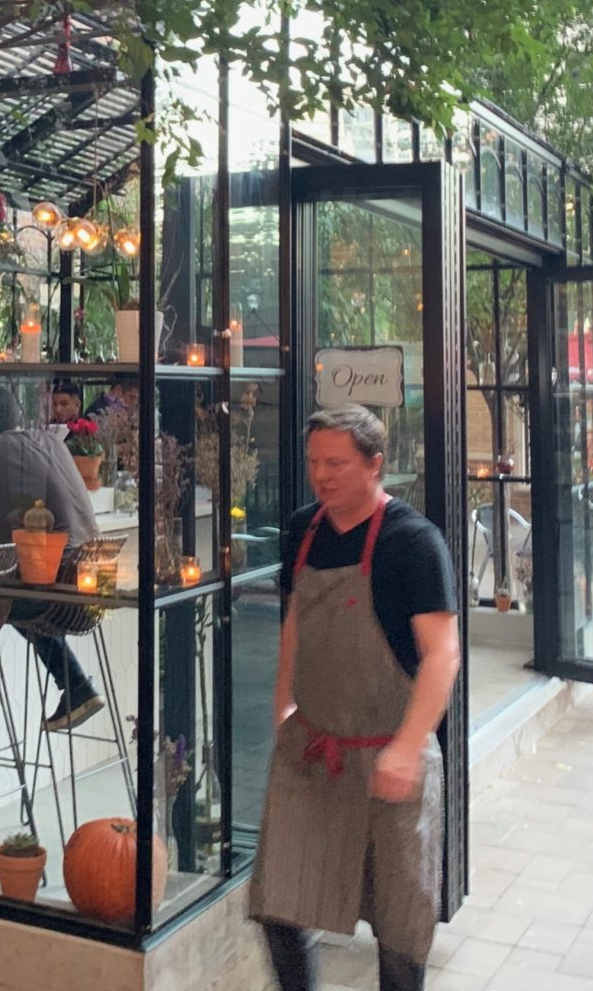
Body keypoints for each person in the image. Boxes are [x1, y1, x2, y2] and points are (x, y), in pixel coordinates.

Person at [247, 406, 460, 991]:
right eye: (314, 462)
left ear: (375, 465)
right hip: (314, 751)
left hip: (392, 757)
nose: (321, 475)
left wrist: (407, 749)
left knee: (400, 923)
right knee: (277, 899)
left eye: (337, 463)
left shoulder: (413, 543)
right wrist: (284, 704)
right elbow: (295, 622)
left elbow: (443, 654)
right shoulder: (302, 530)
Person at [0, 385, 104, 774]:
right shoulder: (54, 443)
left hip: (48, 593)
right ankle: (77, 685)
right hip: (88, 592)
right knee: (22, 587)